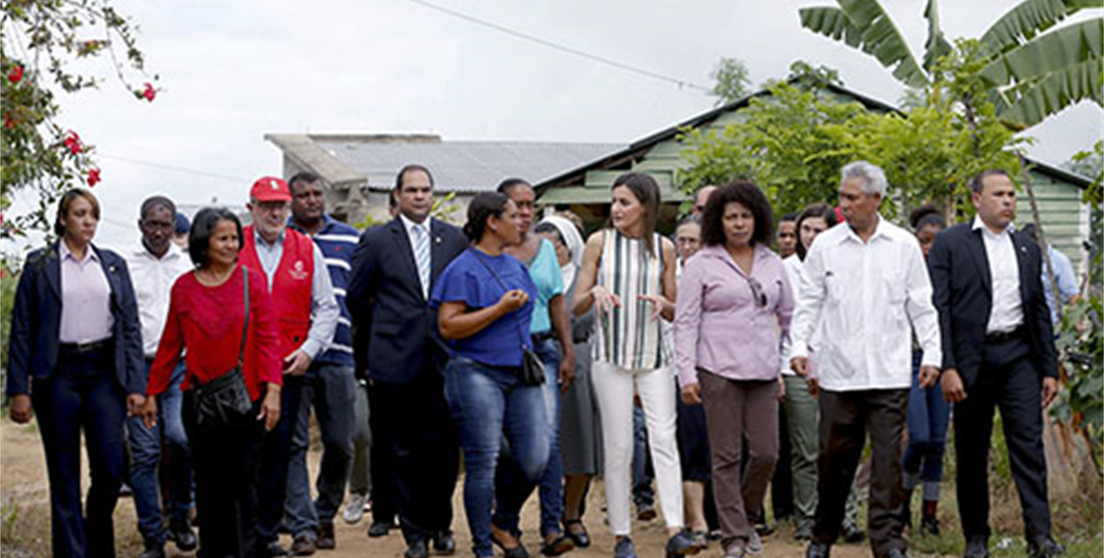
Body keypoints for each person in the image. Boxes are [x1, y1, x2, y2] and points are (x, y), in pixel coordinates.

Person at [790, 162, 942, 558]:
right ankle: (822, 537)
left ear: (876, 199)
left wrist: (932, 354)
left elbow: (922, 306)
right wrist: (799, 348)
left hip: (889, 374)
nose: (843, 206)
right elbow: (808, 303)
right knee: (834, 461)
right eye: (841, 197)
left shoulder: (903, 245)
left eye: (852, 198)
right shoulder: (825, 246)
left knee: (889, 462)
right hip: (839, 375)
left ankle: (888, 540)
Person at [929, 170, 1064, 558]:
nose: (1008, 201)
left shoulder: (1026, 246)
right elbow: (941, 308)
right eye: (999, 194)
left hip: (1018, 356)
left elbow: (1038, 308)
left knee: (1028, 446)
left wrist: (1049, 368)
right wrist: (947, 365)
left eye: (1011, 194)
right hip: (971, 360)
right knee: (972, 450)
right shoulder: (951, 243)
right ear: (976, 199)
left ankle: (1040, 537)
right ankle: (976, 538)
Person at [7, 188, 145, 558]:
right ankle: (71, 552)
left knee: (112, 469)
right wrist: (18, 388)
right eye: (80, 214)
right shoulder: (41, 264)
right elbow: (21, 328)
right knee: (64, 472)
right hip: (58, 374)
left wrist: (136, 385)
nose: (88, 222)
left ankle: (97, 541)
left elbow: (130, 326)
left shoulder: (112, 264)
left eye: (93, 215)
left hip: (103, 372)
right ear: (64, 219)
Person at [141, 206, 283, 558]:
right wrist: (151, 393)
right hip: (201, 401)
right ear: (204, 242)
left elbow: (268, 339)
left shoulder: (251, 281)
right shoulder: (184, 288)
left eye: (235, 238)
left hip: (247, 400)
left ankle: (247, 550)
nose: (232, 245)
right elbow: (171, 346)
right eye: (223, 238)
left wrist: (273, 390)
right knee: (209, 486)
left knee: (244, 485)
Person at [572, 172, 698, 558]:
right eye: (614, 201)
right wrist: (593, 292)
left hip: (654, 356)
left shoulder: (664, 248)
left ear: (645, 205)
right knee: (619, 444)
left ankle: (676, 528)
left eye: (624, 202)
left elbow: (678, 312)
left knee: (664, 439)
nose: (616, 209)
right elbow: (574, 304)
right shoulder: (598, 242)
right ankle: (621, 535)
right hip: (609, 355)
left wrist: (665, 305)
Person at [348, 164, 467, 558]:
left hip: (444, 359)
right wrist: (369, 352)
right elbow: (357, 299)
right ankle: (414, 534)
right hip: (393, 359)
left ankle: (441, 525)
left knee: (444, 448)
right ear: (397, 196)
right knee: (402, 450)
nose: (419, 196)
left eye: (425, 189)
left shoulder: (453, 239)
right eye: (411, 190)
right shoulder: (378, 239)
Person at [675, 181, 794, 558]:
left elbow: (789, 315)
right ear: (718, 221)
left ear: (757, 219)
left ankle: (745, 515)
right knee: (725, 456)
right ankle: (734, 538)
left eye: (745, 216)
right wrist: (687, 375)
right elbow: (686, 322)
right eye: (731, 217)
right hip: (717, 369)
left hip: (763, 370)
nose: (739, 224)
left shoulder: (772, 262)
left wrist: (788, 359)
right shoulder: (701, 264)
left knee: (766, 453)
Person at [432, 191, 550, 558]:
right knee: (484, 462)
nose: (522, 221)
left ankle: (503, 520)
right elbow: (448, 326)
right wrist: (498, 309)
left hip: (519, 372)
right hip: (475, 372)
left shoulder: (514, 265)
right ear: (492, 222)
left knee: (535, 458)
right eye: (513, 215)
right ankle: (482, 545)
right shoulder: (463, 268)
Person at [242, 176, 340, 558]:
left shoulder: (306, 248)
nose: (275, 212)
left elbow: (327, 307)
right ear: (251, 208)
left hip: (288, 369)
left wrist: (310, 351)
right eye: (267, 205)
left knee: (278, 453)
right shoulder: (234, 243)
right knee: (243, 455)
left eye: (281, 205)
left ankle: (266, 534)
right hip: (241, 369)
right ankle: (241, 533)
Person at [491, 179, 577, 557]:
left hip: (541, 352)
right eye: (518, 205)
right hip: (497, 355)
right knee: (507, 447)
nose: (526, 212)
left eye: (531, 205)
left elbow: (558, 303)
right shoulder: (488, 252)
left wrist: (567, 351)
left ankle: (550, 526)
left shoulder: (545, 251)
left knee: (547, 440)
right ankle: (503, 520)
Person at [284, 171, 361, 551]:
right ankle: (304, 525)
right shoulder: (280, 239)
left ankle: (325, 510)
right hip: (291, 358)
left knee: (340, 442)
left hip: (340, 353)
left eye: (317, 193)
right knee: (293, 444)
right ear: (290, 200)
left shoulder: (350, 239)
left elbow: (362, 296)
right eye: (303, 195)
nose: (312, 200)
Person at [778, 203, 862, 543]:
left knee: (844, 443)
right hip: (796, 366)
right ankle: (808, 518)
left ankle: (848, 517)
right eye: (806, 230)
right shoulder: (784, 270)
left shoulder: (849, 265)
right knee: (807, 447)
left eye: (819, 230)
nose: (811, 237)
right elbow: (776, 322)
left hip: (841, 367)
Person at [125, 195, 198, 558]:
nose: (158, 231)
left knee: (180, 440)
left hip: (178, 369)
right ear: (140, 225)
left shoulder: (186, 266)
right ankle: (153, 536)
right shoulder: (124, 266)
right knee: (145, 454)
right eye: (151, 224)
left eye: (164, 224)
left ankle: (181, 518)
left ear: (174, 227)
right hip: (138, 368)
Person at [535, 213, 600, 550]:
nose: (547, 254)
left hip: (580, 361)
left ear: (567, 245)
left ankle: (572, 513)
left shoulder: (584, 277)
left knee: (580, 442)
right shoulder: (531, 274)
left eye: (554, 247)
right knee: (541, 445)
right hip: (537, 358)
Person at [900, 205, 950, 537]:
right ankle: (900, 504)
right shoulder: (903, 270)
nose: (929, 247)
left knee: (937, 442)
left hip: (941, 363)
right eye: (924, 240)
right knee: (917, 437)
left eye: (936, 241)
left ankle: (929, 515)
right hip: (908, 361)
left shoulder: (950, 275)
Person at [668, 214, 715, 550]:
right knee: (691, 445)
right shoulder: (668, 276)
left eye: (693, 241)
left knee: (721, 448)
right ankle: (695, 520)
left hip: (716, 369)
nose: (686, 247)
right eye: (681, 240)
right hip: (676, 372)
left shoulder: (717, 274)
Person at [1020, 223, 1079, 330]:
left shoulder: (1059, 262)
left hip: (1052, 325)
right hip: (1027, 327)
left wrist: (1077, 324)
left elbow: (1073, 296)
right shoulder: (1024, 259)